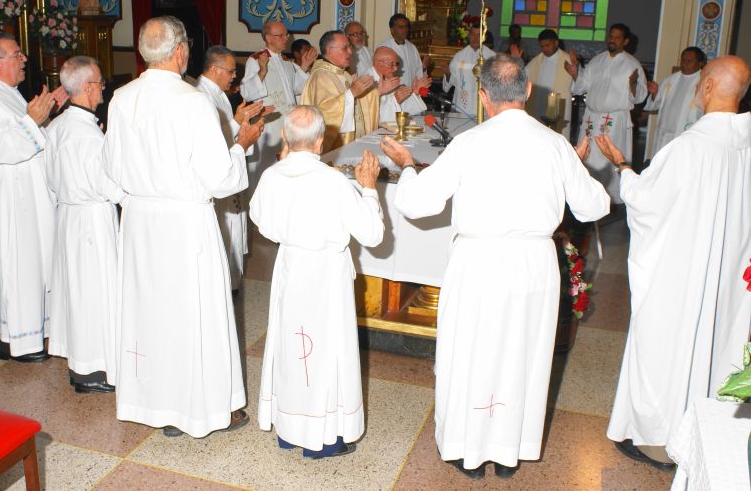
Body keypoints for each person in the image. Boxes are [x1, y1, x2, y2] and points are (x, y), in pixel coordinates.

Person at [380, 54, 609, 479]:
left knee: (470, 352)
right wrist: (573, 167)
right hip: (534, 265)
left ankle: (466, 449)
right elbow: (594, 206)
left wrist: (408, 166)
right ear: (528, 91)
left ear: (483, 97)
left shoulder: (469, 143)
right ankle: (509, 451)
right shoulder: (554, 144)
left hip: (478, 263)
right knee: (523, 353)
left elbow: (415, 204)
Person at [103, 16, 264, 438]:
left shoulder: (121, 97)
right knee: (196, 313)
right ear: (179, 52)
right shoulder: (192, 101)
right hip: (185, 222)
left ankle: (158, 402)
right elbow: (220, 179)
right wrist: (240, 147)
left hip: (139, 223)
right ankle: (204, 408)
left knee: (152, 313)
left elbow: (110, 168)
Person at [597, 55, 751, 470]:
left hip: (682, 274)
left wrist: (622, 165)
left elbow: (646, 203)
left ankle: (660, 441)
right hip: (727, 277)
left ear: (707, 87)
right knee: (714, 347)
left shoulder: (689, 148)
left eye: (701, 81)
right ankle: (704, 434)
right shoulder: (746, 143)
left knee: (670, 348)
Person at [251, 105, 384, 459]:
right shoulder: (333, 181)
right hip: (325, 275)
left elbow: (262, 222)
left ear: (285, 137)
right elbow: (372, 234)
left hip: (291, 267)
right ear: (321, 141)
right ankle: (324, 440)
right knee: (326, 351)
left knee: (292, 348)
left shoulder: (272, 176)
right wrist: (369, 189)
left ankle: (289, 430)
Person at [0, 32, 65, 362]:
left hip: (26, 191)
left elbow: (23, 132)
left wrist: (46, 114)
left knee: (30, 261)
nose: (24, 59)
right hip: (11, 194)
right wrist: (32, 120)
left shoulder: (4, 92)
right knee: (17, 262)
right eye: (17, 55)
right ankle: (18, 342)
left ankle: (20, 334)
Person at [45, 56, 123, 394]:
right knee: (95, 292)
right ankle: (94, 369)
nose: (103, 88)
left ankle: (81, 364)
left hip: (68, 216)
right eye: (100, 83)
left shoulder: (58, 126)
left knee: (77, 291)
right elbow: (108, 186)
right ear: (88, 87)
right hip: (92, 219)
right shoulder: (88, 135)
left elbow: (50, 178)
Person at [196, 45, 269, 296]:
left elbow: (223, 130)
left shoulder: (217, 94)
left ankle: (232, 282)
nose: (234, 76)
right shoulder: (201, 96)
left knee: (234, 234)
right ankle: (225, 286)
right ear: (215, 69)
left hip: (228, 165)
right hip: (218, 177)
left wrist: (241, 121)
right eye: (230, 71)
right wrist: (240, 129)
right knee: (225, 232)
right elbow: (210, 142)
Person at [567, 23, 647, 202]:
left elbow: (639, 97)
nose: (612, 40)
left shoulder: (632, 65)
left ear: (625, 41)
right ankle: (585, 197)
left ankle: (610, 199)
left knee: (608, 158)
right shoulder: (597, 61)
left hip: (614, 120)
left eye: (617, 37)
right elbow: (581, 87)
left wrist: (633, 84)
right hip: (591, 118)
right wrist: (575, 74)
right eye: (611, 36)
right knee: (587, 156)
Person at [240, 20, 318, 189]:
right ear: (268, 38)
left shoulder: (286, 61)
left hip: (288, 122)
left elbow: (296, 88)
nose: (286, 38)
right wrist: (262, 71)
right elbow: (246, 92)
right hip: (269, 123)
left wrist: (304, 65)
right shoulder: (256, 60)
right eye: (281, 35)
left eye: (286, 34)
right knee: (266, 169)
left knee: (287, 168)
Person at [298, 31, 380, 152]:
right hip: (336, 149)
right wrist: (352, 93)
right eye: (345, 48)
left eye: (349, 47)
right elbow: (324, 113)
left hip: (353, 142)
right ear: (330, 50)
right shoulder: (321, 76)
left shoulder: (344, 74)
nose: (350, 52)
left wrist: (375, 92)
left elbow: (357, 103)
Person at [643, 47, 706, 161]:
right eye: (683, 60)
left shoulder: (704, 83)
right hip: (664, 135)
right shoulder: (670, 79)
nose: (684, 64)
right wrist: (655, 93)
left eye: (689, 61)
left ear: (700, 63)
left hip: (684, 134)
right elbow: (656, 104)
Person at [525, 29, 575, 137]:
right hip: (539, 106)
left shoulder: (568, 60)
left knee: (556, 137)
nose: (545, 49)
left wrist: (576, 74)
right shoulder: (536, 62)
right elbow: (522, 77)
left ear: (556, 43)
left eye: (547, 45)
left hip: (558, 106)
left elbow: (578, 87)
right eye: (542, 46)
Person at [442, 24, 496, 117]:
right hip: (462, 107)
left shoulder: (492, 57)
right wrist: (447, 74)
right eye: (472, 34)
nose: (475, 38)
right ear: (469, 35)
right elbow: (448, 86)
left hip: (484, 107)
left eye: (478, 35)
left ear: (484, 37)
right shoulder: (459, 56)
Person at [370, 46, 426, 122]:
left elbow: (400, 109)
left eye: (396, 64)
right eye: (392, 64)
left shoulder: (385, 78)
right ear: (379, 63)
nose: (396, 68)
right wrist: (395, 99)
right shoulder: (367, 83)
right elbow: (373, 117)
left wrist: (415, 92)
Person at [377, 14, 432, 92]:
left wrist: (423, 67)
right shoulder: (384, 48)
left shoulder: (412, 47)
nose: (405, 29)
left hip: (411, 93)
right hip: (393, 94)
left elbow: (417, 73)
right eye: (401, 27)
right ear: (392, 30)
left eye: (406, 26)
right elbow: (379, 75)